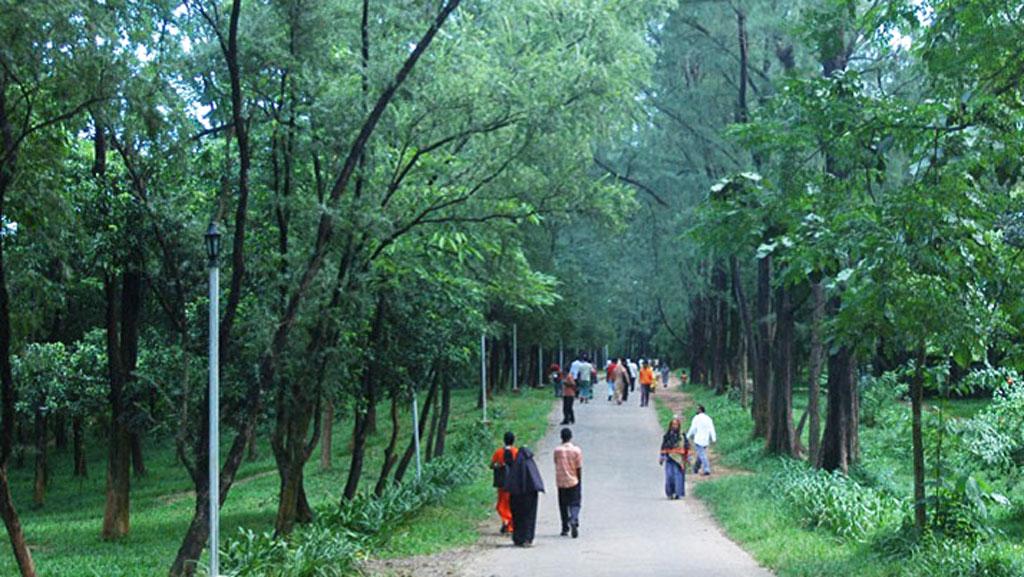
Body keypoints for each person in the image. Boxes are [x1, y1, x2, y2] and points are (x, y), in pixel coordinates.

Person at [504, 446, 545, 547]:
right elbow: (536, 480)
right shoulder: (531, 465)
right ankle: (528, 538)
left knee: (517, 517)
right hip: (530, 496)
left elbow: (510, 482)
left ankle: (518, 538)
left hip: (516, 496)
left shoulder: (516, 466)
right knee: (529, 517)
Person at [553, 427, 583, 538]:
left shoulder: (557, 450)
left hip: (561, 481)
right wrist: (579, 480)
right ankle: (574, 518)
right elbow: (578, 467)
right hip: (573, 480)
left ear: (561, 437)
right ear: (570, 437)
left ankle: (564, 528)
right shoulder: (576, 451)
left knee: (563, 504)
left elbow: (556, 462)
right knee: (575, 503)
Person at [490, 431, 519, 534]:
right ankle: (510, 525)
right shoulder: (516, 452)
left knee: (502, 504)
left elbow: (492, 465)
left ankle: (505, 521)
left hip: (502, 483)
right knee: (513, 504)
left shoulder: (498, 452)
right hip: (514, 483)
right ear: (513, 440)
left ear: (504, 440)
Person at [659, 416, 689, 499]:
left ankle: (678, 493)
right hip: (669, 459)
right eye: (673, 424)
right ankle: (670, 493)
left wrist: (687, 458)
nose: (674, 426)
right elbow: (663, 446)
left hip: (679, 460)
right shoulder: (667, 436)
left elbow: (686, 447)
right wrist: (662, 456)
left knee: (678, 477)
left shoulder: (682, 436)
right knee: (669, 476)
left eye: (676, 424)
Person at [687, 405, 717, 475]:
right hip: (706, 440)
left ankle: (707, 469)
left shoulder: (696, 418)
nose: (696, 411)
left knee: (702, 455)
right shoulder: (708, 418)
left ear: (700, 410)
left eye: (697, 409)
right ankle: (695, 469)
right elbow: (712, 429)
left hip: (698, 439)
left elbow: (693, 428)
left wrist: (687, 436)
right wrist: (713, 438)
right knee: (700, 455)